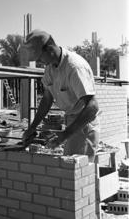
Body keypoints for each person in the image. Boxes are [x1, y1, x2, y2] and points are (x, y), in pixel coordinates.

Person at [19, 29, 100, 162]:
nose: (40, 61)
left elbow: (92, 106)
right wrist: (32, 127)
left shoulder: (74, 67)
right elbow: (47, 99)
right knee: (70, 169)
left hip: (84, 123)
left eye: (39, 57)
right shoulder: (50, 68)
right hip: (71, 120)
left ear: (49, 48)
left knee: (79, 171)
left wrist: (65, 134)